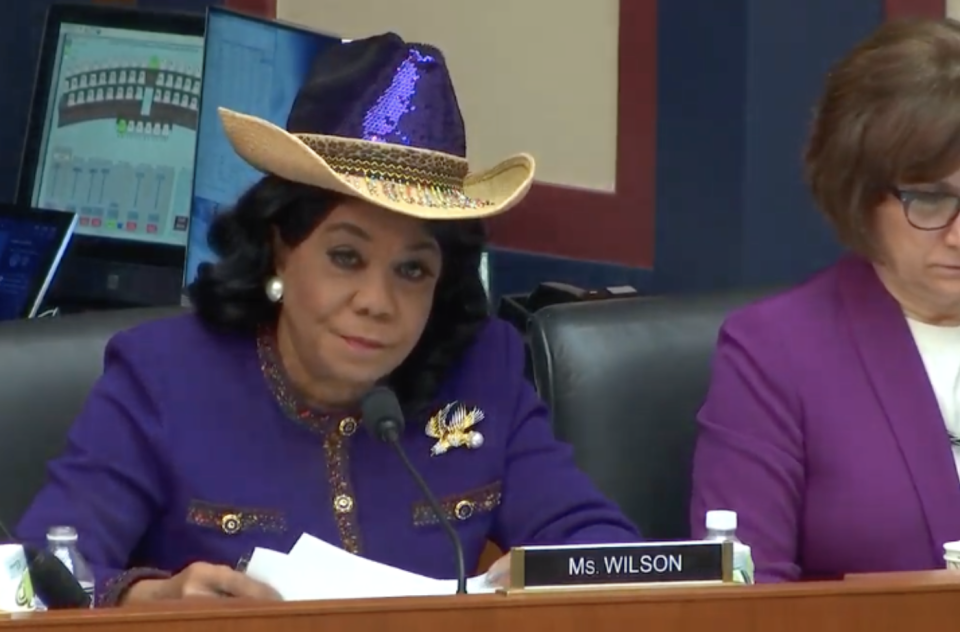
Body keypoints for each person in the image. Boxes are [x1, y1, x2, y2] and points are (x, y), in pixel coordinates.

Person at [17, 33, 639, 606]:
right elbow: (40, 575)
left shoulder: (485, 369)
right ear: (280, 246)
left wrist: (552, 577)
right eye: (346, 257)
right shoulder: (162, 374)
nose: (377, 300)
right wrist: (144, 598)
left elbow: (605, 546)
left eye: (413, 270)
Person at [689, 18, 960, 582]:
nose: (958, 233)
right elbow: (746, 597)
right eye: (931, 200)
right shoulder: (776, 352)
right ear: (859, 195)